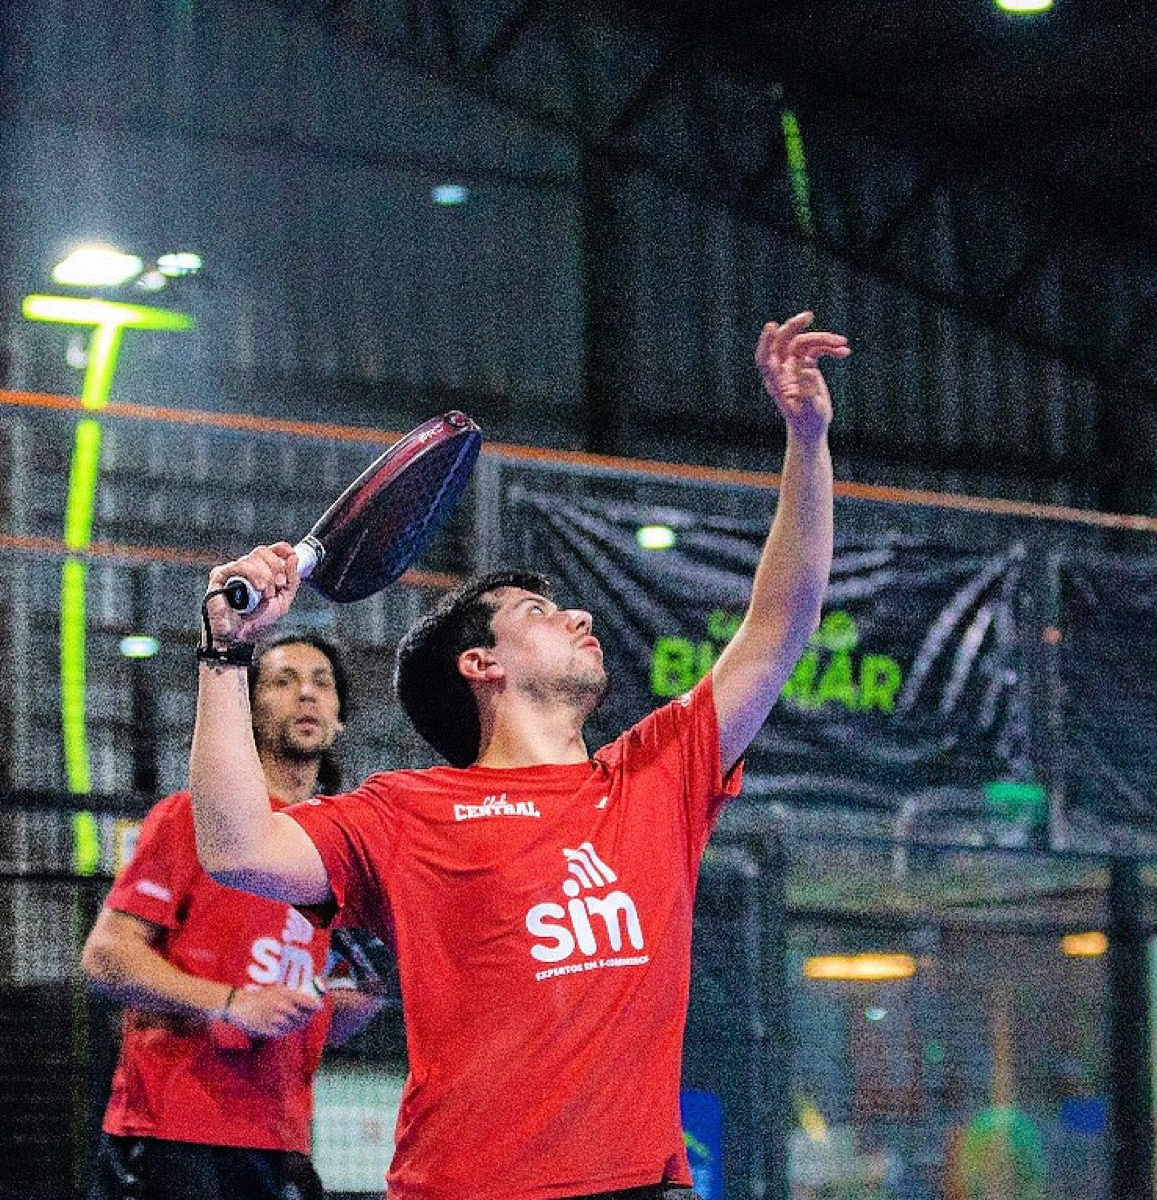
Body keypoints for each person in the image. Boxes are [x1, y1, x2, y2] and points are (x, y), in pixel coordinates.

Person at [187, 313, 848, 1200]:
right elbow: (236, 848)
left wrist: (806, 440)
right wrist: (225, 652)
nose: (577, 616)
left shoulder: (655, 777)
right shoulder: (404, 813)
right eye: (538, 613)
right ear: (481, 665)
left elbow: (779, 624)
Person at [82, 633, 389, 1200]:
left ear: (340, 718)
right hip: (175, 1132)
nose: (306, 693)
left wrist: (355, 1004)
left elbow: (313, 1015)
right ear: (246, 712)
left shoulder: (338, 844)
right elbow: (105, 957)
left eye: (322, 683)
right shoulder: (190, 818)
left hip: (282, 1138)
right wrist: (229, 1002)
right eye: (283, 681)